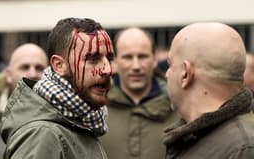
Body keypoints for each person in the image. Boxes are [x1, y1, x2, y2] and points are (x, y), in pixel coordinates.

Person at [1, 17, 114, 159]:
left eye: (109, 59)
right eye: (93, 59)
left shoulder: (81, 123)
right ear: (59, 65)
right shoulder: (43, 135)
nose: (108, 69)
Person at [163, 22, 254, 158]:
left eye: (170, 65)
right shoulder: (194, 138)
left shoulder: (243, 149)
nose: (166, 74)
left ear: (185, 73)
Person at [101, 27, 178, 159]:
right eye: (127, 57)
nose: (136, 66)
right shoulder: (96, 108)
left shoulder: (178, 106)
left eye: (142, 56)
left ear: (154, 59)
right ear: (115, 62)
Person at [0, 43, 48, 158]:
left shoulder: (62, 113)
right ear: (9, 75)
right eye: (25, 67)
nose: (33, 74)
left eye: (39, 68)